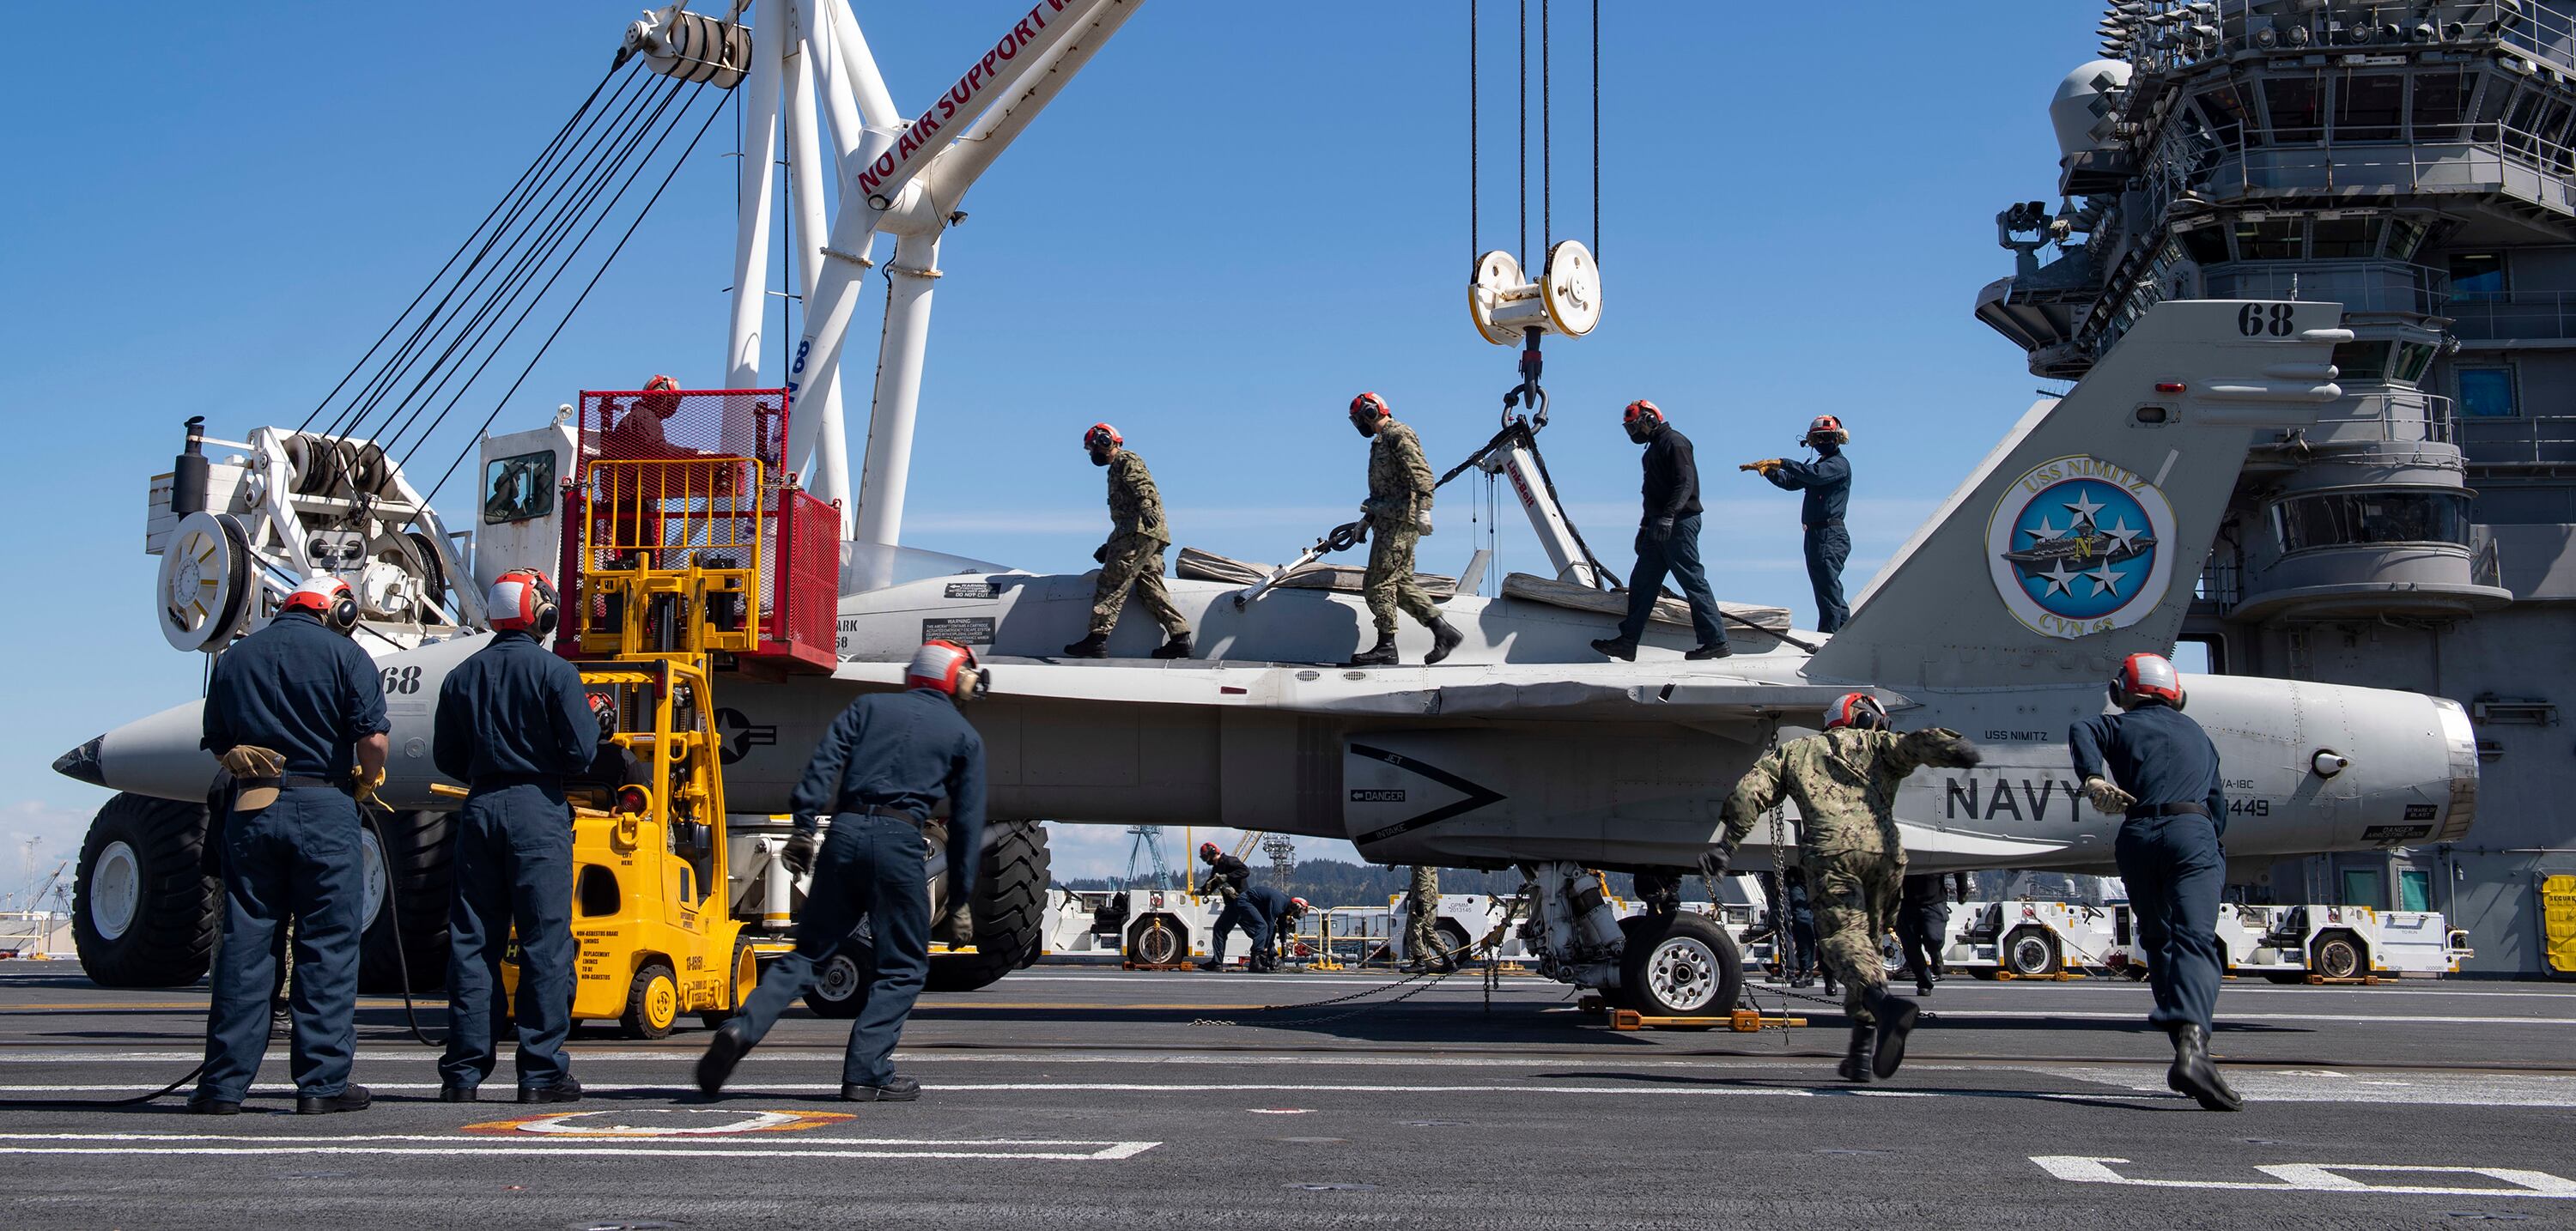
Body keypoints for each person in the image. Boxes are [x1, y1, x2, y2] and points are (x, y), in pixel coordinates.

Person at [698, 640, 990, 1103]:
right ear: (959, 679)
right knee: (903, 966)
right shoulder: (963, 736)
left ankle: (741, 1030)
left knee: (808, 953)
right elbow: (969, 824)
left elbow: (822, 764)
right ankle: (866, 1073)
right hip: (899, 843)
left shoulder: (868, 707)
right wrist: (959, 902)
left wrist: (803, 827)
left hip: (845, 832)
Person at [1706, 692, 1982, 1083]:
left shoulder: (1799, 751)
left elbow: (1751, 791)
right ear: (1868, 719)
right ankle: (1860, 1053)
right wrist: (1954, 748)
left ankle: (1886, 1010)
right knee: (1865, 950)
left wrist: (1726, 846)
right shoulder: (1879, 744)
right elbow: (1915, 744)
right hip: (1886, 855)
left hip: (1832, 853)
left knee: (1842, 940)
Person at [191, 576, 389, 1116]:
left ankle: (222, 1088)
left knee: (247, 946)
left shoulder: (235, 659)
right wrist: (367, 783)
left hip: (252, 808)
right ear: (338, 610)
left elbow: (218, 743)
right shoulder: (348, 656)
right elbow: (372, 741)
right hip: (324, 808)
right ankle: (321, 1087)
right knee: (326, 947)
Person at [433, 569, 594, 1105]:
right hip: (537, 811)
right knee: (545, 945)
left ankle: (462, 1073)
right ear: (541, 614)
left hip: (479, 808)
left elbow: (447, 758)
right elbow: (581, 755)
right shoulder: (556, 674)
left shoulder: (460, 676)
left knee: (472, 942)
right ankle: (541, 1072)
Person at [2071, 652, 2244, 1113]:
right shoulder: (2201, 738)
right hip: (2192, 833)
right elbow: (2218, 808)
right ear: (2178, 696)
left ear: (2119, 692)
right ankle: (2192, 1044)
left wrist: (2092, 776)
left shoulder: (2118, 727)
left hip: (2137, 835)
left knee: (2159, 940)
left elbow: (2083, 728)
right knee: (2195, 940)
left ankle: (2189, 1051)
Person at [1593, 400, 1729, 661]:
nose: (1634, 434)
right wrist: (1644, 528)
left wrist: (1669, 516)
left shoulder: (1675, 442)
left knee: (1692, 579)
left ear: (1650, 419)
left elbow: (1685, 482)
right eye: (1629, 429)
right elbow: (1651, 495)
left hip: (1679, 522)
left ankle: (1716, 641)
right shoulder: (1651, 451)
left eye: (1635, 427)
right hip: (1658, 525)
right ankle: (1628, 642)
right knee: (1642, 582)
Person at [1346, 392, 1464, 667]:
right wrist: (1367, 520)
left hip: (1399, 523)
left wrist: (1425, 509)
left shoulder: (1398, 434)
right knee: (1400, 584)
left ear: (1370, 413)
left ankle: (1386, 646)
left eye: (1359, 419)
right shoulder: (1381, 441)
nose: (1359, 425)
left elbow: (1421, 471)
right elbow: (1387, 490)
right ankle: (1443, 632)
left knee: (1378, 583)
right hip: (1388, 519)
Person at [1063, 423, 1192, 660]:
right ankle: (1180, 638)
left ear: (1105, 441)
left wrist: (1145, 506)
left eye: (1093, 447)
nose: (1093, 453)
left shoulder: (1126, 459)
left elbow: (1142, 484)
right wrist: (1110, 545)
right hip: (1148, 534)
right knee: (1149, 587)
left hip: (1138, 533)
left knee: (1111, 582)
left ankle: (1097, 639)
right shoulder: (1116, 468)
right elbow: (1126, 515)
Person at [1742, 415, 1853, 633]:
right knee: (1827, 589)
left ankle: (1828, 639)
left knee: (1828, 590)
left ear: (1837, 438)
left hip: (1829, 534)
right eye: (1816, 439)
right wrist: (1771, 472)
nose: (1820, 443)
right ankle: (1844, 635)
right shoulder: (1821, 465)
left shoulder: (1837, 465)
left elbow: (1815, 476)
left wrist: (1784, 463)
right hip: (1817, 535)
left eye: (1823, 438)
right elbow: (1793, 482)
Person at [1196, 842, 1257, 971]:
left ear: (1213, 853)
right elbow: (1211, 884)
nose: (1206, 860)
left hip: (1240, 901)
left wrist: (1227, 877)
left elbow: (1245, 871)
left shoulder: (1230, 861)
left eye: (1205, 857)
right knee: (1254, 932)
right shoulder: (1217, 868)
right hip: (1234, 905)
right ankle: (1271, 957)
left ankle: (1217, 963)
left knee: (1221, 929)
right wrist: (1201, 891)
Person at [1896, 872, 1951, 997]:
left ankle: (1935, 954)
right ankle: (1924, 983)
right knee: (1910, 948)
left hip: (1934, 902)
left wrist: (1962, 890)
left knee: (1934, 938)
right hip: (1906, 903)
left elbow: (1958, 862)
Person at [1241, 884, 1301, 973]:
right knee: (1262, 930)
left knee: (1265, 932)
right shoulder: (1279, 903)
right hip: (1244, 903)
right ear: (1295, 906)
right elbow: (1270, 925)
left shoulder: (1284, 904)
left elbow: (1282, 925)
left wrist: (1283, 943)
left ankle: (1265, 959)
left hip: (1250, 905)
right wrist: (1265, 948)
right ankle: (1258, 960)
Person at [1402, 864, 1450, 973]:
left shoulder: (1420, 856)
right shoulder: (1429, 857)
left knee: (1414, 928)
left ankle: (1419, 962)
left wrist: (1420, 900)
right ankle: (1447, 960)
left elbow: (1424, 877)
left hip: (1423, 898)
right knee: (1427, 929)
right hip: (1431, 898)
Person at [1783, 867, 1820, 987]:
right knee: (1801, 919)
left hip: (1821, 875)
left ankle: (1828, 973)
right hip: (1797, 874)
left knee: (1823, 924)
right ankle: (1806, 970)